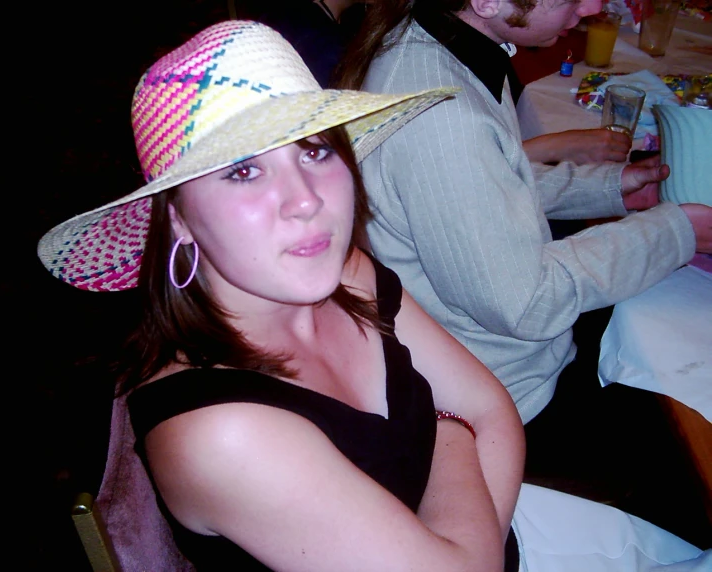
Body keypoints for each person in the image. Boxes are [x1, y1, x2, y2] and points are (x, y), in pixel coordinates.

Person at [37, 20, 710, 571]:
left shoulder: (346, 275)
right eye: (243, 171)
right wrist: (451, 439)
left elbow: (494, 410)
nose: (304, 201)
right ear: (177, 217)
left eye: (315, 151)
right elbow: (470, 422)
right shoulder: (223, 432)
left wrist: (469, 542)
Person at [334, 0, 712, 508]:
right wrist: (676, 232)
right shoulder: (440, 114)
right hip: (513, 402)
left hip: (501, 360)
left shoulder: (441, 43)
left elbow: (487, 184)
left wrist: (614, 188)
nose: (595, 5)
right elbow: (525, 303)